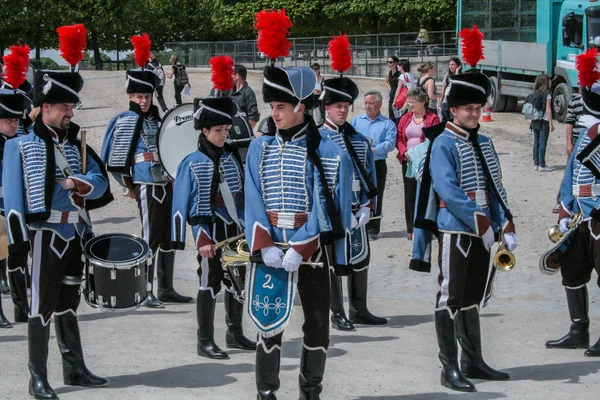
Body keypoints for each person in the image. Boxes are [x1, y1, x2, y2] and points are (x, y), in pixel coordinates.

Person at [4, 63, 112, 400]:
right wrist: (19, 247)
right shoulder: (18, 147)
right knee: (41, 305)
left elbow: (100, 181)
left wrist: (77, 182)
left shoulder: (76, 143)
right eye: (64, 107)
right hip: (45, 235)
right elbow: (13, 203)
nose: (70, 113)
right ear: (46, 107)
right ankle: (37, 377)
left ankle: (74, 367)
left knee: (68, 301)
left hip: (76, 233)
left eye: (71, 107)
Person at [246, 60, 352, 399]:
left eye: (281, 107)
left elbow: (330, 205)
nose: (274, 114)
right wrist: (264, 244)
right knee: (268, 321)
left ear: (301, 107)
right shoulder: (259, 148)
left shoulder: (328, 150)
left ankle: (310, 392)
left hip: (312, 251)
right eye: (273, 106)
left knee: (319, 321)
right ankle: (266, 393)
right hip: (270, 248)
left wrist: (303, 245)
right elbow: (253, 195)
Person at [410, 69, 516, 392]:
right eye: (467, 108)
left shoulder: (484, 142)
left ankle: (473, 361)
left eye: (477, 108)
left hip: (483, 233)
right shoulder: (442, 143)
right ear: (452, 110)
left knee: (472, 296)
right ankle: (449, 367)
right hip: (456, 230)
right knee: (450, 295)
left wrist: (504, 222)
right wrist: (480, 220)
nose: (474, 113)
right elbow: (448, 189)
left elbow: (494, 186)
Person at [101, 41, 192, 307]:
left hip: (167, 183)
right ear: (130, 97)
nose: (143, 101)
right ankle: (146, 290)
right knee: (150, 236)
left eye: (147, 96)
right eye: (138, 97)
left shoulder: (159, 119)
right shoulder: (122, 120)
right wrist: (127, 184)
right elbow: (112, 157)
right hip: (145, 182)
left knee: (168, 236)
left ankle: (166, 288)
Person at [171, 96, 256, 359]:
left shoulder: (231, 158)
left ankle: (235, 333)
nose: (223, 134)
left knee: (237, 280)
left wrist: (248, 226)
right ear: (205, 131)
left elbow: (242, 196)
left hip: (234, 230)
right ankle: (204, 340)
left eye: (226, 129)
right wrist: (199, 239)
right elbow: (181, 205)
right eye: (218, 130)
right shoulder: (192, 162)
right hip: (210, 232)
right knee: (209, 283)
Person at [320, 75, 387, 331]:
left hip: (357, 209)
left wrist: (369, 206)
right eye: (337, 105)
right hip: (332, 212)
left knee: (361, 258)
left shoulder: (358, 140)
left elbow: (371, 177)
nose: (342, 109)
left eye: (346, 105)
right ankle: (336, 312)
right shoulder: (317, 140)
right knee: (334, 263)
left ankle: (359, 309)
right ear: (326, 107)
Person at [545, 52, 600, 358]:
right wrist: (565, 212)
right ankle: (579, 330)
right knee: (573, 270)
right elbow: (571, 177)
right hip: (580, 217)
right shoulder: (585, 137)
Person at [0, 63, 33, 328]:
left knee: (19, 256)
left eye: (17, 119)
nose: (15, 124)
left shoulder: (20, 141)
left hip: (16, 209)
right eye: (10, 119)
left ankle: (21, 308)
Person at [351, 90, 397, 239]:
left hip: (377, 164)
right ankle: (358, 225)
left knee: (376, 195)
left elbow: (390, 143)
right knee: (357, 193)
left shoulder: (388, 124)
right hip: (359, 165)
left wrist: (373, 150)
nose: (367, 106)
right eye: (365, 103)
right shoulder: (356, 121)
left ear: (379, 104)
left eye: (371, 103)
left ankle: (373, 228)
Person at [396, 89, 440, 240]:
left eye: (413, 102)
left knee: (425, 194)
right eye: (409, 101)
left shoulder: (433, 118)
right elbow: (399, 138)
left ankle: (425, 226)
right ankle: (411, 228)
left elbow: (435, 138)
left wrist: (420, 154)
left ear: (423, 102)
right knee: (410, 194)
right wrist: (404, 152)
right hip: (408, 161)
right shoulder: (405, 118)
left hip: (425, 162)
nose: (410, 104)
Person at [531, 73, 554, 172]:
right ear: (546, 82)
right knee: (542, 143)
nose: (550, 81)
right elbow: (548, 109)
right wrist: (551, 123)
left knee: (536, 142)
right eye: (549, 80)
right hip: (544, 121)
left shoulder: (535, 92)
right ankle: (542, 165)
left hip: (535, 120)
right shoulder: (547, 94)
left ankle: (536, 164)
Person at [439, 57, 462, 121]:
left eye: (453, 65)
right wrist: (440, 102)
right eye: (450, 64)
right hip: (445, 102)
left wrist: (457, 72)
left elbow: (457, 86)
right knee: (444, 121)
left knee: (453, 121)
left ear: (458, 65)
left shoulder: (461, 76)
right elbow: (443, 89)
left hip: (454, 103)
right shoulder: (447, 76)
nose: (451, 67)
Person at [385, 56, 400, 121]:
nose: (388, 64)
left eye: (390, 62)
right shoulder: (389, 73)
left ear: (396, 63)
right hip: (391, 96)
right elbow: (386, 82)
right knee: (391, 116)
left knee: (397, 116)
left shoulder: (400, 73)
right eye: (387, 62)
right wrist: (389, 88)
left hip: (398, 96)